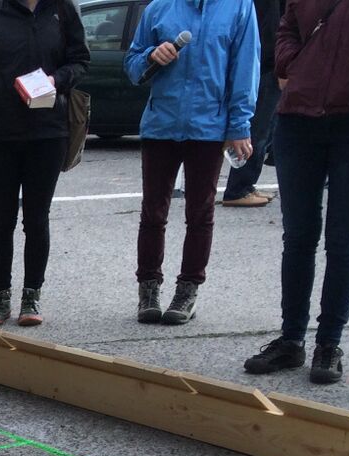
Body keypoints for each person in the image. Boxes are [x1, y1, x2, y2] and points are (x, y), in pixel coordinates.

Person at [241, 0, 349, 385]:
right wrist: (294, 65)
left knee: (344, 237)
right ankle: (292, 339)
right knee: (297, 235)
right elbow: (286, 28)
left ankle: (329, 344)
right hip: (299, 117)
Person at [125, 0, 258, 325]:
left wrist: (239, 125)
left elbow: (245, 67)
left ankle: (187, 290)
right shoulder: (159, 7)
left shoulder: (239, 7)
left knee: (200, 213)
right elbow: (131, 64)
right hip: (161, 123)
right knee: (153, 212)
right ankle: (149, 289)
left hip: (209, 126)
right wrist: (150, 57)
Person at [0, 0, 90, 327]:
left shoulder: (62, 10)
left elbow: (80, 61)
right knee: (1, 220)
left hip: (48, 132)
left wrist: (55, 80)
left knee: (37, 218)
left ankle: (31, 297)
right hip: (0, 133)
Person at [221, 0, 280, 207]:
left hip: (263, 63)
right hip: (265, 65)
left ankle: (245, 185)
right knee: (258, 131)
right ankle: (239, 188)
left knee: (262, 130)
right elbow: (271, 29)